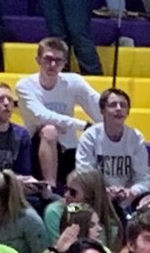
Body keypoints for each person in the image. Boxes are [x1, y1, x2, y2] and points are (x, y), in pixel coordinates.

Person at [15, 38, 102, 187]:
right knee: (49, 130)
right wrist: (82, 125)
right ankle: (50, 187)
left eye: (58, 60)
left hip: (68, 147)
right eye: (48, 59)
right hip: (36, 148)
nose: (53, 65)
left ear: (64, 63)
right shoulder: (25, 85)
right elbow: (40, 116)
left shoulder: (74, 81)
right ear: (38, 60)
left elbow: (98, 106)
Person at [75, 88, 150, 210]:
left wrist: (133, 191)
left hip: (128, 199)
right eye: (113, 105)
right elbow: (84, 175)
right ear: (102, 110)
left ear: (128, 112)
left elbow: (144, 178)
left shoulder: (135, 137)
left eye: (123, 105)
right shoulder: (89, 137)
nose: (118, 109)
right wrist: (103, 192)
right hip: (96, 199)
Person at [42, 169, 123, 249]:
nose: (66, 195)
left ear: (91, 197)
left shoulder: (111, 225)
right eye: (66, 189)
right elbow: (59, 250)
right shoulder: (55, 212)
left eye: (73, 192)